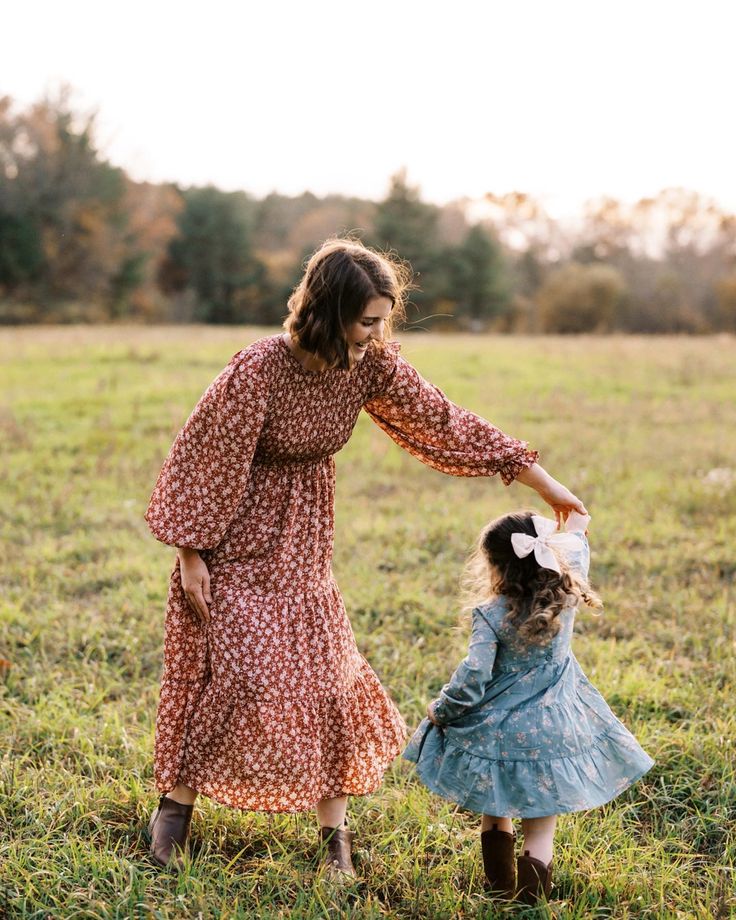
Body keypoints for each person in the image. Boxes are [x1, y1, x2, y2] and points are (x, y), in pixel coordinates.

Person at [143, 237, 587, 877]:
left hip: (304, 543)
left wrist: (539, 479)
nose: (378, 334)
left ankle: (335, 841)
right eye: (367, 320)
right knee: (238, 675)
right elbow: (206, 460)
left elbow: (442, 420)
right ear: (327, 311)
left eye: (384, 321)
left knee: (328, 678)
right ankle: (175, 808)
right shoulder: (258, 369)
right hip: (233, 537)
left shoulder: (370, 364)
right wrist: (192, 552)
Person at [403, 510, 654, 904]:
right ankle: (528, 905)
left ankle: (498, 892)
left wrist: (442, 709)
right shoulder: (566, 592)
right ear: (549, 552)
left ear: (494, 566)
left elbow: (473, 677)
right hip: (553, 731)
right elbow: (577, 538)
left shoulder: (490, 614)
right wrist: (571, 514)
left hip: (497, 734)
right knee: (540, 830)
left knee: (495, 807)